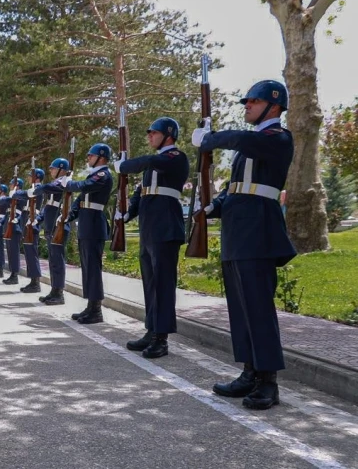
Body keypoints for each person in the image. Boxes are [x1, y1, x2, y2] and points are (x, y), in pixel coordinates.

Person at [191, 79, 296, 410]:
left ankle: (268, 382)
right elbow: (236, 187)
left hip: (258, 232)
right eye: (247, 101)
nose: (247, 105)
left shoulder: (277, 138)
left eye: (253, 101)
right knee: (240, 307)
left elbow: (239, 138)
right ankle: (249, 372)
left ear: (274, 106)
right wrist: (214, 206)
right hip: (237, 232)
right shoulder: (249, 146)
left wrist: (210, 139)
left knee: (259, 308)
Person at [114, 117, 189, 358]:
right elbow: (140, 193)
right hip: (149, 228)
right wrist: (127, 213)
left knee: (163, 284)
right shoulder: (152, 167)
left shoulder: (175, 157)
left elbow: (149, 161)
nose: (149, 136)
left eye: (153, 132)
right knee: (150, 284)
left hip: (165, 227)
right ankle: (151, 330)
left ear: (168, 135)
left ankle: (161, 338)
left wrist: (123, 166)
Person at [59, 144, 114, 323]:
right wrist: (69, 215)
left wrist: (70, 184)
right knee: (87, 268)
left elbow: (85, 186)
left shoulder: (103, 175)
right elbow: (81, 199)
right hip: (86, 224)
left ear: (101, 157)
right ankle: (90, 306)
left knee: (93, 269)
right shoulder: (93, 175)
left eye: (91, 155)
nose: (88, 158)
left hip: (94, 225)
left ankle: (96, 310)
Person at [32, 158, 71, 305]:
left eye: (53, 168)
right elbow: (48, 206)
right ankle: (54, 291)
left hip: (58, 227)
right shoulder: (57, 183)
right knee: (53, 261)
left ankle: (59, 293)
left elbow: (44, 188)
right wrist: (38, 219)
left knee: (58, 261)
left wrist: (37, 186)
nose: (51, 171)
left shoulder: (62, 182)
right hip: (51, 227)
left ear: (61, 169)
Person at [15, 168, 45, 293]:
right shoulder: (33, 189)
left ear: (36, 177)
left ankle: (36, 283)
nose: (28, 178)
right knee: (28, 252)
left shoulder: (37, 189)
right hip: (28, 220)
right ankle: (33, 281)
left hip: (32, 221)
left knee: (32, 253)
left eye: (30, 176)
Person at [3, 177, 26, 286]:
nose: (10, 186)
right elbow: (5, 201)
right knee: (10, 252)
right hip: (9, 227)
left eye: (12, 184)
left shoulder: (21, 196)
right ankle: (12, 274)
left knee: (14, 252)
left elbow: (22, 211)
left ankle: (15, 275)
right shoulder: (12, 196)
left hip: (16, 227)